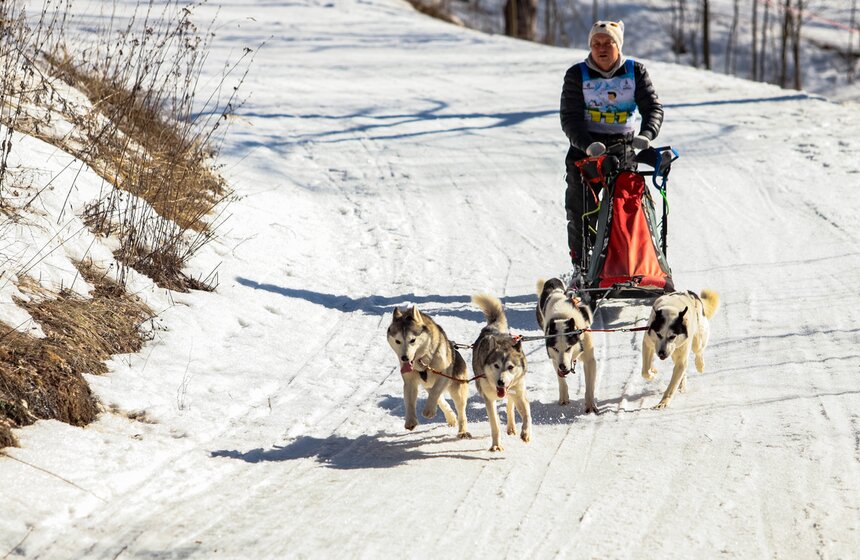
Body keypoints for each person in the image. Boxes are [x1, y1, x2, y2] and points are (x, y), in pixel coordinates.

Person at [560, 20, 663, 274]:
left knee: (625, 207)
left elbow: (653, 108)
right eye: (596, 43)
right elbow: (569, 118)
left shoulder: (635, 71)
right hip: (586, 149)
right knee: (580, 206)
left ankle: (626, 262)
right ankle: (582, 265)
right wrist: (587, 145)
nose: (602, 48)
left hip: (623, 147)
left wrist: (646, 135)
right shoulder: (577, 74)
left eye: (608, 43)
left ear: (619, 45)